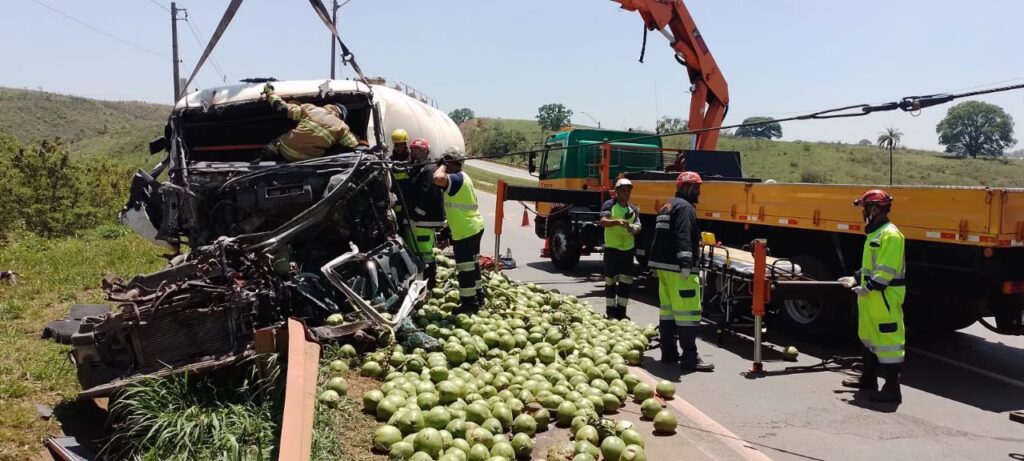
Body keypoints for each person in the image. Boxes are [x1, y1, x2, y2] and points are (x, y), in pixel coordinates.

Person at [839, 189, 906, 403]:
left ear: (875, 209)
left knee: (888, 342)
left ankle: (892, 390)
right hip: (871, 296)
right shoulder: (875, 233)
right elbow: (871, 266)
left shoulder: (891, 234)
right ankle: (868, 380)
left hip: (884, 296)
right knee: (869, 339)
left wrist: (869, 287)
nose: (863, 213)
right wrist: (856, 278)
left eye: (866, 208)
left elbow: (885, 270)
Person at [648, 171, 714, 372]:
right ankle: (690, 359)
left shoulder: (668, 205)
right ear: (688, 187)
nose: (699, 193)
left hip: (664, 268)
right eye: (698, 188)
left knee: (668, 312)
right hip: (679, 270)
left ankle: (668, 354)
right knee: (687, 314)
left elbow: (659, 236)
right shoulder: (685, 208)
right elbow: (682, 235)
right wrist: (686, 262)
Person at [433, 147, 485, 314]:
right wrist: (448, 230)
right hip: (472, 227)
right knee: (473, 265)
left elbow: (437, 178)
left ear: (450, 164)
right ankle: (479, 297)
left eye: (444, 163)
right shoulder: (464, 177)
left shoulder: (455, 178)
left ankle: (469, 304)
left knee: (465, 269)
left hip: (466, 231)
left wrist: (442, 166)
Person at [261, 83, 358, 161]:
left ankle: (260, 158)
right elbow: (353, 145)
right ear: (341, 116)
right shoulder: (341, 126)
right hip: (310, 160)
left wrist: (270, 93)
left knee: (275, 142)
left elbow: (282, 108)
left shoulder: (311, 109)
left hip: (286, 150)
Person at [406, 139, 445, 288]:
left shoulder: (429, 170)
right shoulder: (419, 168)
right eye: (412, 149)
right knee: (417, 253)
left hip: (423, 221)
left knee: (424, 254)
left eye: (417, 150)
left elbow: (427, 194)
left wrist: (416, 215)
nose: (413, 152)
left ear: (425, 152)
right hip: (418, 221)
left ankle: (429, 285)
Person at [599, 178, 641, 320]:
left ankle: (621, 312)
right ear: (616, 192)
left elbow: (638, 227)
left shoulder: (633, 209)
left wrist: (632, 228)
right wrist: (616, 222)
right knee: (610, 282)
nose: (626, 193)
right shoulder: (609, 205)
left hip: (627, 251)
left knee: (626, 283)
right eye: (623, 190)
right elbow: (603, 221)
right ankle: (610, 312)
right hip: (612, 250)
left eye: (628, 191)